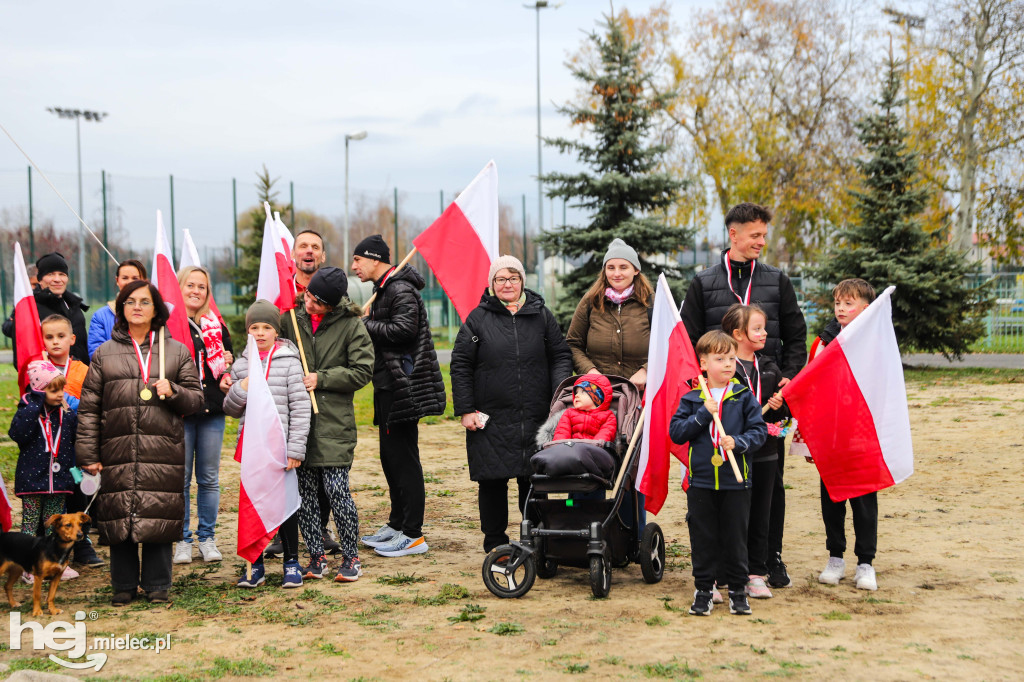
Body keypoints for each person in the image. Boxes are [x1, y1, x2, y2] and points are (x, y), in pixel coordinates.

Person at [679, 203, 807, 589]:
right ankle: (719, 565)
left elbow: (796, 335)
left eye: (764, 235)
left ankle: (769, 558)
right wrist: (698, 389)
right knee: (719, 487)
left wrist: (788, 376)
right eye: (755, 235)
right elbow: (687, 342)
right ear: (733, 235)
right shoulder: (703, 284)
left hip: (768, 405)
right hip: (720, 407)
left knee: (770, 485)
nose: (761, 242)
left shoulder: (776, 281)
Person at [76, 280, 203, 605]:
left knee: (157, 514)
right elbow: (89, 409)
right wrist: (88, 454)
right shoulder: (104, 354)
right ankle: (123, 586)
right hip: (116, 450)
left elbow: (196, 401)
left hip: (161, 450)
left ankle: (158, 585)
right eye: (130, 301)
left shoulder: (176, 351)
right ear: (121, 309)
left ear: (156, 309)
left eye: (144, 302)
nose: (137, 307)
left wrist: (174, 391)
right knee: (120, 515)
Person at [451, 255, 573, 552]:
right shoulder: (478, 319)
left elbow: (560, 355)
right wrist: (466, 409)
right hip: (490, 418)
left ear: (522, 281)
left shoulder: (541, 315)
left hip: (536, 415)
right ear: (492, 285)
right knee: (492, 482)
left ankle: (538, 542)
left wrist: (558, 397)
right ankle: (496, 544)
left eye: (513, 278)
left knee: (534, 481)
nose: (508, 284)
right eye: (501, 279)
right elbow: (461, 364)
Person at [351, 235, 446, 558]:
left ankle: (413, 534)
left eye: (358, 260)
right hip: (387, 383)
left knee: (404, 458)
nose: (354, 267)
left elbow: (403, 330)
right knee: (390, 457)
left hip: (403, 386)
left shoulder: (400, 289)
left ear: (375, 259)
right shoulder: (384, 289)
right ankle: (397, 523)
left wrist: (366, 324)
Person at [280, 267, 373, 582]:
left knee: (337, 490)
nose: (310, 303)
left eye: (318, 302)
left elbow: (362, 371)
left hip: (334, 424)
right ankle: (316, 557)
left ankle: (351, 557)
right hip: (298, 424)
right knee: (304, 494)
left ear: (333, 305)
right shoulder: (290, 320)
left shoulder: (351, 326)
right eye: (308, 295)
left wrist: (323, 378)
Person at [670, 330, 767, 617]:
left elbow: (759, 431)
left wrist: (739, 442)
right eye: (720, 358)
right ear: (703, 363)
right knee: (703, 537)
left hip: (735, 482)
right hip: (700, 481)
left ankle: (738, 590)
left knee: (735, 537)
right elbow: (676, 433)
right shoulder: (692, 398)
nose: (728, 364)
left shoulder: (743, 397)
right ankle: (703, 590)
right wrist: (702, 414)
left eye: (732, 358)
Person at [223, 300, 311, 589]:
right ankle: (255, 564)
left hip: (281, 451)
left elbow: (300, 408)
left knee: (285, 506)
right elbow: (231, 408)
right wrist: (240, 388)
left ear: (276, 331)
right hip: (254, 453)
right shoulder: (241, 364)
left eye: (267, 327)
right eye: (254, 327)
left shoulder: (289, 361)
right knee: (253, 506)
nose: (260, 333)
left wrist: (296, 450)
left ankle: (291, 562)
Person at [804, 278, 881, 592]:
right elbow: (810, 388)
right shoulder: (823, 342)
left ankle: (866, 562)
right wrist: (809, 437)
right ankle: (835, 556)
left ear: (866, 308)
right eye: (838, 303)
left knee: (864, 499)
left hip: (862, 433)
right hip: (831, 434)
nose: (841, 309)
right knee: (832, 498)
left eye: (849, 303)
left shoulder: (877, 341)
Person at [720, 303, 788, 600]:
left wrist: (779, 406)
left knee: (762, 512)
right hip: (734, 452)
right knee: (733, 513)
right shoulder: (722, 368)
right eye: (757, 328)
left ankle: (756, 572)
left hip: (766, 452)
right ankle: (729, 568)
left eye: (764, 327)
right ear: (738, 334)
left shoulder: (770, 367)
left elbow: (783, 414)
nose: (765, 333)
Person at [171, 266, 233, 565]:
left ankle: (206, 537)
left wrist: (228, 365)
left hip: (211, 412)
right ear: (179, 287)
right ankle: (182, 540)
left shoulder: (216, 326)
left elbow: (229, 366)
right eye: (190, 285)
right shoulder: (168, 327)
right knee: (180, 480)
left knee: (208, 478)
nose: (196, 291)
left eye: (202, 287)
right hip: (179, 413)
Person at [9, 361, 80, 582]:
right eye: (53, 390)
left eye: (62, 389)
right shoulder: (28, 412)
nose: (61, 395)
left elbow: (75, 438)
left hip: (58, 482)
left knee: (55, 527)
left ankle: (58, 564)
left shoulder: (65, 414)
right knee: (30, 526)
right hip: (32, 482)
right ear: (39, 391)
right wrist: (35, 403)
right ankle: (28, 567)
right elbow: (17, 434)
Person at [567, 238, 652, 390]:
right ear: (604, 271)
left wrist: (647, 370)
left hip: (642, 396)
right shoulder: (590, 300)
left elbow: (669, 345)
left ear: (636, 270)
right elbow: (573, 344)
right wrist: (590, 371)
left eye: (623, 267)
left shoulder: (651, 302)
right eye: (611, 268)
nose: (616, 273)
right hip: (598, 395)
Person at [3, 252, 91, 366]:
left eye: (62, 274)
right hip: (49, 379)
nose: (57, 279)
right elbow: (10, 330)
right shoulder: (30, 306)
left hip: (80, 375)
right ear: (40, 279)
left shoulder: (73, 304)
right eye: (50, 274)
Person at [88, 260, 147, 357]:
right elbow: (96, 355)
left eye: (135, 278)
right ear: (117, 281)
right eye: (125, 278)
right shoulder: (100, 317)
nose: (129, 282)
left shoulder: (153, 314)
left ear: (144, 281)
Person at [553, 375, 617, 441]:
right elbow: (562, 432)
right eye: (576, 392)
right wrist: (561, 447)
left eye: (583, 392)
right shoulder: (569, 413)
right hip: (571, 447)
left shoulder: (608, 416)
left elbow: (605, 434)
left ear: (596, 398)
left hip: (593, 449)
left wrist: (596, 446)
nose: (577, 395)